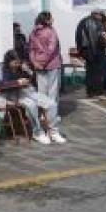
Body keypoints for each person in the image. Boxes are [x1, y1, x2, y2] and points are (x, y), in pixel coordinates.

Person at [0, 50, 58, 145]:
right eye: (15, 62)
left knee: (51, 104)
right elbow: (0, 85)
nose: (17, 64)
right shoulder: (1, 67)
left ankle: (54, 132)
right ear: (8, 61)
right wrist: (17, 82)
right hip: (8, 95)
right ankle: (37, 133)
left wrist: (28, 71)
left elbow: (31, 79)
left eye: (19, 62)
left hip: (25, 91)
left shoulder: (21, 67)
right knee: (31, 105)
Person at [28, 12, 67, 143]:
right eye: (51, 17)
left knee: (41, 94)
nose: (53, 19)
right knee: (52, 95)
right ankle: (52, 127)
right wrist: (43, 63)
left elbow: (31, 50)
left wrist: (35, 63)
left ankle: (42, 118)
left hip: (39, 66)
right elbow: (51, 49)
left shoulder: (33, 32)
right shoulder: (51, 31)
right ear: (47, 20)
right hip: (51, 65)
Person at [75, 9, 106, 98]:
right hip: (93, 50)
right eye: (101, 16)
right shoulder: (92, 22)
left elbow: (78, 37)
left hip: (86, 50)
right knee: (96, 72)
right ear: (96, 14)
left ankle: (90, 91)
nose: (102, 18)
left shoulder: (83, 21)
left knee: (90, 71)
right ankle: (97, 92)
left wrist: (81, 51)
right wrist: (95, 52)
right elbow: (93, 38)